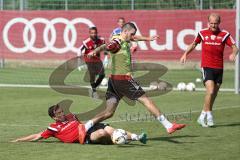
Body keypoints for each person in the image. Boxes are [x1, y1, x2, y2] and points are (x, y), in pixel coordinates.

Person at [84, 22, 186, 135]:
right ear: (125, 32)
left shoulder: (124, 38)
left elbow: (124, 40)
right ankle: (168, 125)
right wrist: (97, 51)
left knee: (109, 112)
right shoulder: (118, 41)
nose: (133, 37)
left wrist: (148, 38)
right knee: (146, 100)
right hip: (123, 80)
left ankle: (85, 126)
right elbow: (109, 45)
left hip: (113, 81)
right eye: (132, 34)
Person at [180, 13, 239, 127]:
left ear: (219, 23)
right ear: (208, 23)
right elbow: (194, 44)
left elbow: (235, 47)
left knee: (214, 94)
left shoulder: (224, 34)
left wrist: (233, 53)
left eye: (215, 23)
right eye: (211, 23)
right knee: (210, 91)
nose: (213, 25)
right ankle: (210, 115)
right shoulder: (202, 33)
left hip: (219, 68)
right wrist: (185, 54)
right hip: (207, 66)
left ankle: (202, 115)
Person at [11, 104, 147, 145]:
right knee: (102, 133)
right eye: (59, 113)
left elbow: (80, 125)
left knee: (110, 129)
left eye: (62, 111)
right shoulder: (53, 128)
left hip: (86, 129)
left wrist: (85, 127)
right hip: (84, 137)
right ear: (54, 117)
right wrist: (19, 139)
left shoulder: (71, 117)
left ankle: (137, 137)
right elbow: (37, 136)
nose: (62, 114)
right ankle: (119, 139)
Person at [78, 26, 108, 99]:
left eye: (95, 33)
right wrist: (79, 62)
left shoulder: (101, 40)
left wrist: (106, 57)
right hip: (89, 60)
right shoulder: (86, 42)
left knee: (102, 75)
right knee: (92, 74)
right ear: (89, 33)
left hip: (97, 59)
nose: (93, 34)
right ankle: (94, 92)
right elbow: (79, 50)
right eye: (92, 33)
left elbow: (105, 48)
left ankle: (93, 88)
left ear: (97, 33)